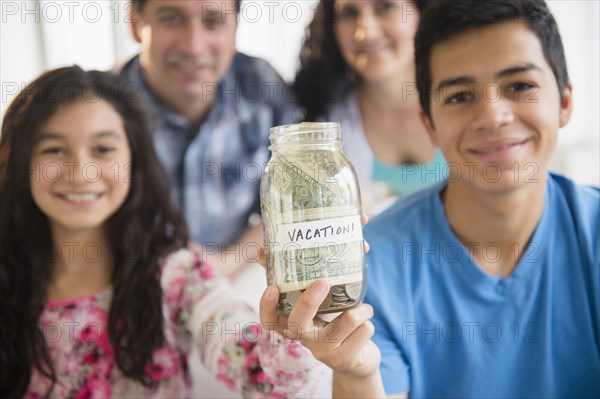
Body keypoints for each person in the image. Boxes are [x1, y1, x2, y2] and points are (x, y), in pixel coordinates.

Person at [0, 66, 385, 398]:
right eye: (54, 150)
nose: (81, 172)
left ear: (135, 161)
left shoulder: (177, 277)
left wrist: (293, 333)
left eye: (103, 149)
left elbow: (270, 381)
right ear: (18, 160)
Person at [363, 0, 599, 397]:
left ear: (564, 102)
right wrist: (355, 374)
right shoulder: (377, 261)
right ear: (430, 125)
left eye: (520, 86)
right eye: (459, 96)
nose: (492, 116)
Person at [118, 0, 296, 276]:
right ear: (136, 24)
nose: (194, 46)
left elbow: (294, 202)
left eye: (213, 22)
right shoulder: (102, 109)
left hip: (238, 278)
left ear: (234, 30)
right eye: (172, 19)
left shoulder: (262, 85)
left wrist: (227, 263)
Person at [295, 0, 445, 215]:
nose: (365, 33)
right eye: (348, 13)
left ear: (423, 11)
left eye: (385, 7)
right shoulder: (317, 122)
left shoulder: (472, 100)